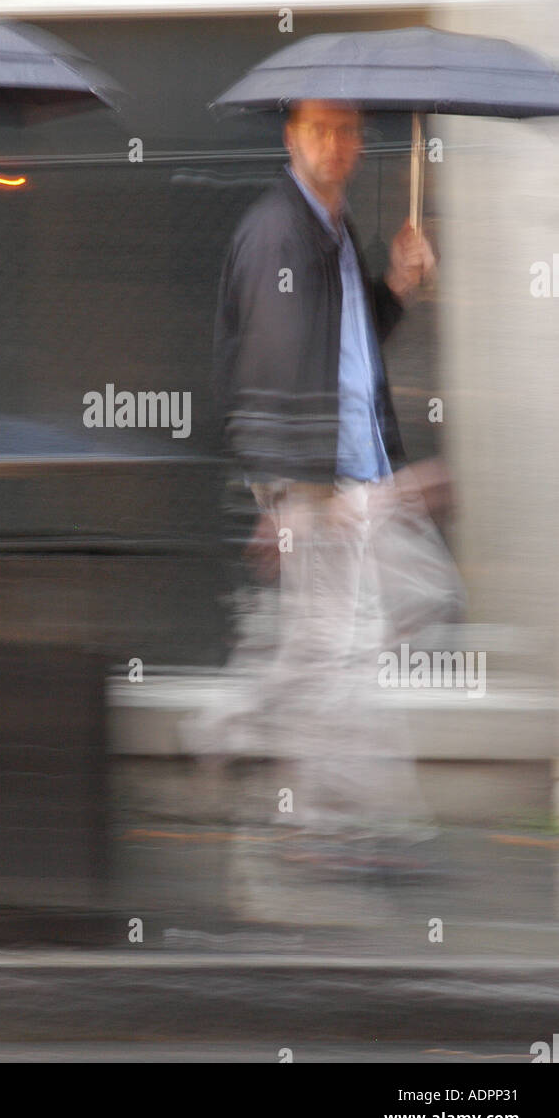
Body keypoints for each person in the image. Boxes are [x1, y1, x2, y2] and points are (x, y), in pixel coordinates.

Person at [189, 98, 464, 865]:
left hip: (349, 469)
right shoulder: (281, 232)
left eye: (347, 131)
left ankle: (239, 729)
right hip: (322, 479)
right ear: (291, 137)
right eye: (320, 130)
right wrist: (286, 493)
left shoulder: (329, 231)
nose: (337, 144)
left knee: (337, 641)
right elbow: (270, 368)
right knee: (361, 633)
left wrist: (396, 289)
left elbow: (339, 350)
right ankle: (322, 818)